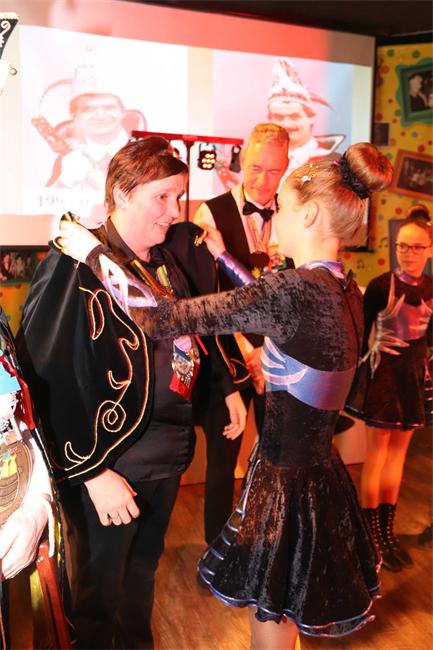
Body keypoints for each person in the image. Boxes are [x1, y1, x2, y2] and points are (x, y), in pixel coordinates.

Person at [57, 141, 393, 649]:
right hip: (322, 474)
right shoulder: (345, 289)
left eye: (282, 208)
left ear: (309, 215)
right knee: (284, 610)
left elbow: (160, 318)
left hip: (284, 483)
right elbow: (268, 304)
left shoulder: (292, 291)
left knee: (271, 616)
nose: (274, 218)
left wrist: (94, 253)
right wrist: (223, 257)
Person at [16, 136, 247, 650]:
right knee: (97, 597)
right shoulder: (74, 264)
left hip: (166, 458)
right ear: (121, 193)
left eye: (178, 196)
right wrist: (94, 474)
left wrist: (223, 389)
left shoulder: (163, 261)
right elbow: (44, 378)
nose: (175, 211)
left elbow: (191, 335)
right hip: (109, 466)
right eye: (161, 197)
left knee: (141, 578)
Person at [193, 122, 292, 546]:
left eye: (274, 171)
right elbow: (205, 298)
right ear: (242, 159)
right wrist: (246, 349)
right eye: (255, 168)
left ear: (287, 167)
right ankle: (216, 551)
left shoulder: (296, 212)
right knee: (222, 462)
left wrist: (268, 350)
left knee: (276, 459)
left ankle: (266, 546)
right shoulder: (209, 213)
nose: (264, 181)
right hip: (226, 356)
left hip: (280, 357)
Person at [346, 206, 432, 571]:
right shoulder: (381, 286)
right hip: (383, 380)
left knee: (397, 459)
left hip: (413, 381)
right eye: (402, 246)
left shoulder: (431, 289)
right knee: (377, 457)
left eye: (416, 247)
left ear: (430, 249)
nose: (408, 253)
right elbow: (360, 338)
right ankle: (370, 538)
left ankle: (386, 533)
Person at [267, 58, 345, 178]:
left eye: (294, 116)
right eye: (279, 117)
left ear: (311, 117)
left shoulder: (333, 162)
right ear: (270, 120)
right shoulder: (262, 159)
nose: (286, 124)